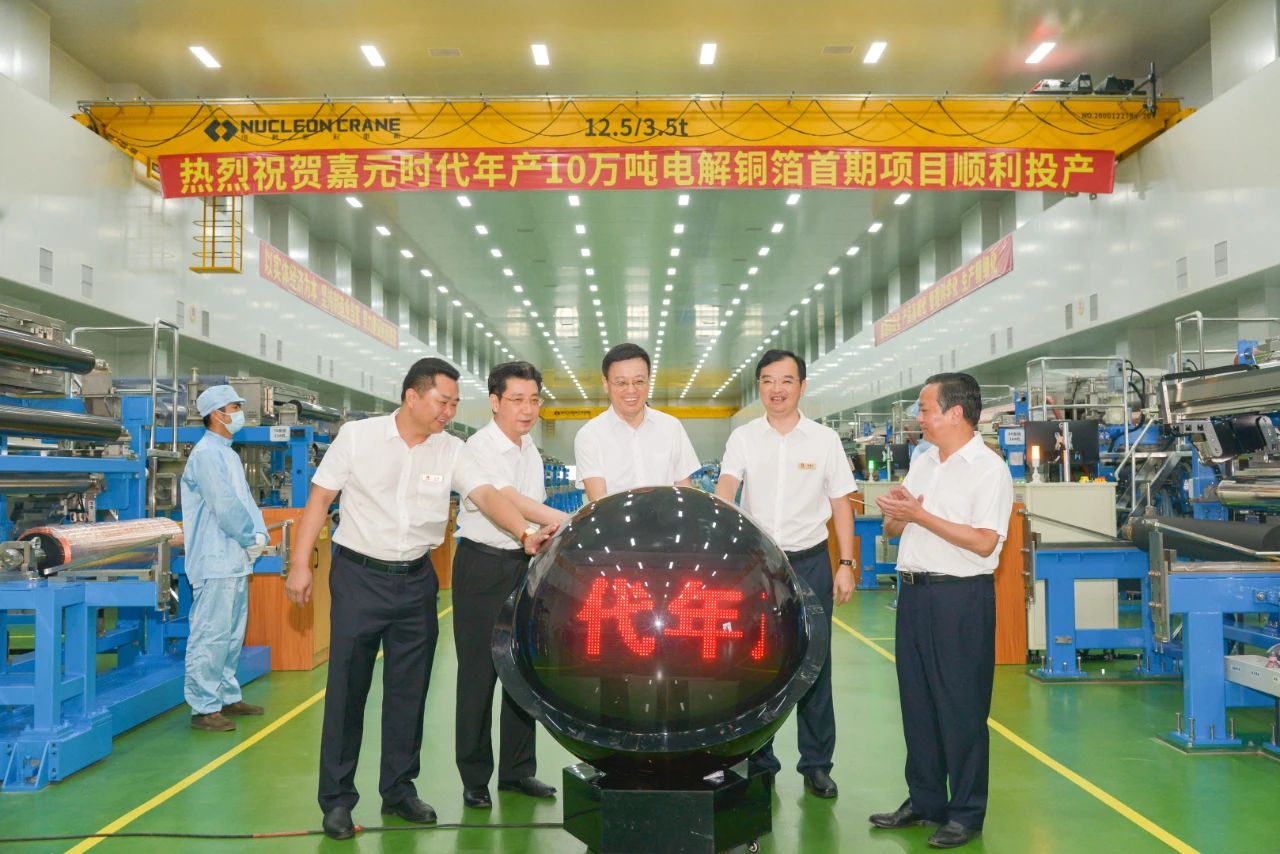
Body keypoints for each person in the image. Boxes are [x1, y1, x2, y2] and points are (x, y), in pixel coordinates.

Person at [284, 358, 554, 841]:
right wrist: (300, 563)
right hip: (359, 577)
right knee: (348, 691)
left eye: (454, 403)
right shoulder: (358, 437)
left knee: (409, 692)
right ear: (412, 396)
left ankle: (399, 790)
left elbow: (488, 494)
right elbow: (320, 500)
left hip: (415, 581)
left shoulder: (451, 450)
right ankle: (338, 800)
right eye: (442, 402)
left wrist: (523, 532)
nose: (449, 412)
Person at [870, 373, 1014, 849]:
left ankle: (966, 812)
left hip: (960, 599)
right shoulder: (925, 461)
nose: (920, 417)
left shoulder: (989, 469)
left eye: (925, 409)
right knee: (918, 704)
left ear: (955, 413)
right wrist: (895, 514)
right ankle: (925, 800)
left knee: (961, 708)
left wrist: (920, 515)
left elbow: (985, 542)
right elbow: (894, 528)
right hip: (914, 595)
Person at [715, 349, 857, 798]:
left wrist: (846, 563)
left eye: (786, 381)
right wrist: (720, 525)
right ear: (759, 386)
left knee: (815, 663)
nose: (776, 389)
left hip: (811, 562)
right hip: (757, 566)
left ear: (802, 386)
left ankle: (816, 764)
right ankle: (760, 759)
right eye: (768, 381)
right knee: (756, 663)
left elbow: (841, 504)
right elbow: (727, 486)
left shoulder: (824, 440)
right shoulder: (743, 438)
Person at [453, 361, 568, 809]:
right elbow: (510, 501)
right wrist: (571, 518)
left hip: (525, 564)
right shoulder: (478, 447)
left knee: (522, 670)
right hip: (483, 567)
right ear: (495, 402)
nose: (527, 409)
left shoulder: (529, 448)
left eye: (534, 400)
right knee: (479, 675)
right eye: (517, 400)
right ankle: (474, 777)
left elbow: (531, 503)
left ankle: (518, 771)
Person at [180, 384, 269, 732]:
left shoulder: (228, 454)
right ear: (216, 414)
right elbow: (226, 507)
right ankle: (203, 707)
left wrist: (259, 536)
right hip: (214, 559)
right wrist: (250, 536)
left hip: (234, 559)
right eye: (234, 407)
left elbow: (245, 502)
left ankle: (227, 695)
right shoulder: (206, 455)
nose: (239, 413)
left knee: (232, 634)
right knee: (210, 635)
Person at [573, 342, 700, 500]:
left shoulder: (671, 427)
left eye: (639, 381)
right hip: (614, 517)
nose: (631, 390)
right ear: (606, 384)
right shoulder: (589, 436)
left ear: (649, 381)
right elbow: (599, 501)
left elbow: (684, 491)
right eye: (621, 383)